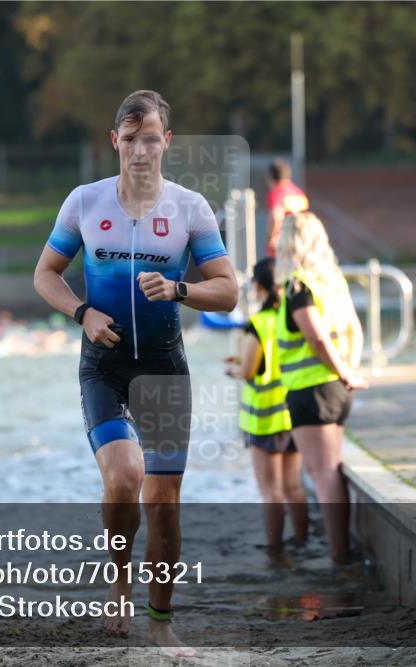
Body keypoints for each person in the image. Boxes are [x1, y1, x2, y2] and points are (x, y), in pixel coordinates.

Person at [33, 90, 238, 656]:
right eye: (130, 140)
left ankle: (161, 622)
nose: (140, 151)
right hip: (104, 367)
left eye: (150, 139)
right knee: (124, 477)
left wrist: (178, 289)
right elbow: (46, 274)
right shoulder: (84, 202)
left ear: (166, 142)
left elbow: (228, 291)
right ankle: (120, 579)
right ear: (114, 142)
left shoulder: (190, 209)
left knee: (164, 503)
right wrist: (82, 312)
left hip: (165, 371)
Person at [274, 211, 366, 565]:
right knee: (331, 468)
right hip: (334, 390)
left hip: (310, 391)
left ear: (289, 244)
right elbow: (355, 329)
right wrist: (349, 372)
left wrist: (344, 373)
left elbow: (316, 338)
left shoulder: (298, 286)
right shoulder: (333, 282)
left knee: (323, 472)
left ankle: (338, 554)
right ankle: (341, 550)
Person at [225, 258, 308, 554]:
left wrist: (234, 369)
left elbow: (250, 371)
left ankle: (274, 549)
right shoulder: (292, 318)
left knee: (271, 490)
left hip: (264, 419)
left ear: (258, 286)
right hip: (292, 414)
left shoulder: (259, 323)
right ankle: (302, 540)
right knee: (294, 486)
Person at [264, 159, 309, 258]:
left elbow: (276, 216)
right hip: (301, 244)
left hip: (283, 246)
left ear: (271, 177)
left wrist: (270, 239)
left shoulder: (276, 193)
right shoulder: (299, 193)